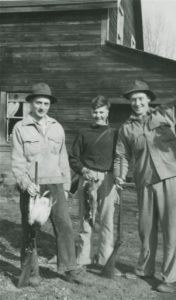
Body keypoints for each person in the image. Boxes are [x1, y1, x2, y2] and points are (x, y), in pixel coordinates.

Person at [114, 72, 176, 293]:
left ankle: (171, 278)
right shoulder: (126, 128)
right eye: (133, 99)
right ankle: (145, 269)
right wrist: (119, 175)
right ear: (130, 102)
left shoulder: (165, 113)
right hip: (144, 181)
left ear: (148, 99)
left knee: (172, 229)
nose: (137, 103)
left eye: (141, 98)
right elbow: (121, 156)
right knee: (146, 229)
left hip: (170, 179)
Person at [11, 82, 82, 286]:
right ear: (31, 103)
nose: (42, 107)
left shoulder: (57, 127)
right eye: (38, 103)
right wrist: (25, 183)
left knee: (65, 226)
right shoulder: (20, 128)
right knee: (30, 230)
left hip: (56, 185)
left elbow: (63, 159)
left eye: (46, 103)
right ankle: (31, 272)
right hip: (33, 187)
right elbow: (17, 161)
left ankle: (69, 268)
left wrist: (66, 187)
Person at [69, 95, 119, 271]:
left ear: (107, 112)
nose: (98, 115)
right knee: (86, 218)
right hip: (87, 180)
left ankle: (105, 260)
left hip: (107, 180)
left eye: (101, 112)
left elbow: (119, 158)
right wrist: (83, 171)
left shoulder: (114, 133)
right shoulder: (84, 133)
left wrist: (118, 177)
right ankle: (83, 258)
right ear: (92, 112)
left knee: (107, 220)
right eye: (95, 112)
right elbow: (73, 158)